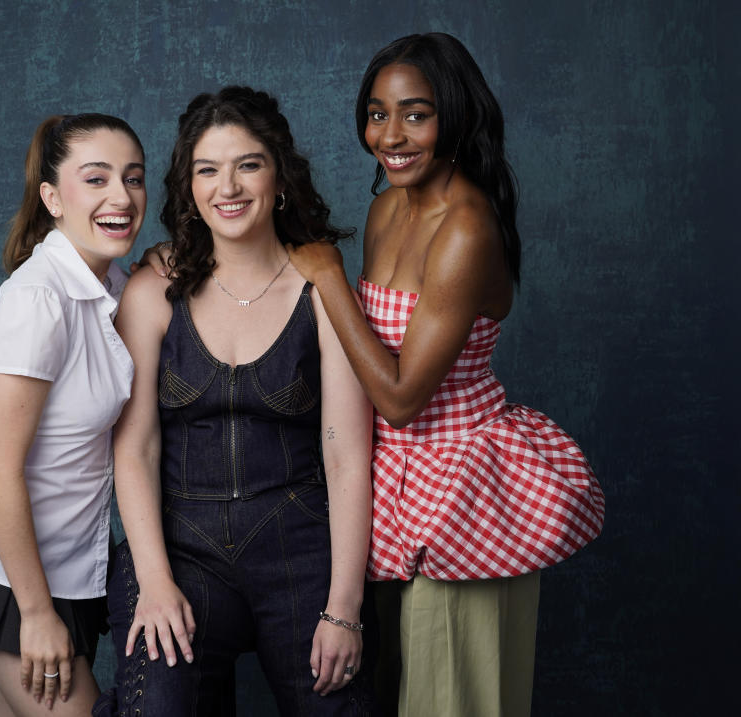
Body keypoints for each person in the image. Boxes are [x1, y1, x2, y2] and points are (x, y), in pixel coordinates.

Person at [286, 33, 606, 717]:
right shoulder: (386, 208)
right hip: (390, 493)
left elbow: (401, 398)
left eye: (415, 114)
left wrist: (328, 277)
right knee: (393, 695)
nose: (390, 136)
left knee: (454, 702)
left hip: (462, 491)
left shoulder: (466, 227)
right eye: (377, 113)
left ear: (454, 117)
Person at [100, 87, 374, 716]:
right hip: (179, 550)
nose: (228, 186)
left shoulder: (322, 290)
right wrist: (155, 581)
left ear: (279, 176)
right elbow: (135, 448)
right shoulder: (154, 290)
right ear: (189, 186)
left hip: (300, 546)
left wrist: (346, 609)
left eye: (248, 164)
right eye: (207, 169)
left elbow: (348, 460)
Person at [0, 113, 147, 716]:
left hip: (69, 574)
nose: (120, 197)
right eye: (95, 179)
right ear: (52, 198)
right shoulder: (39, 297)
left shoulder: (114, 286)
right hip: (8, 580)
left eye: (133, 178)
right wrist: (37, 614)